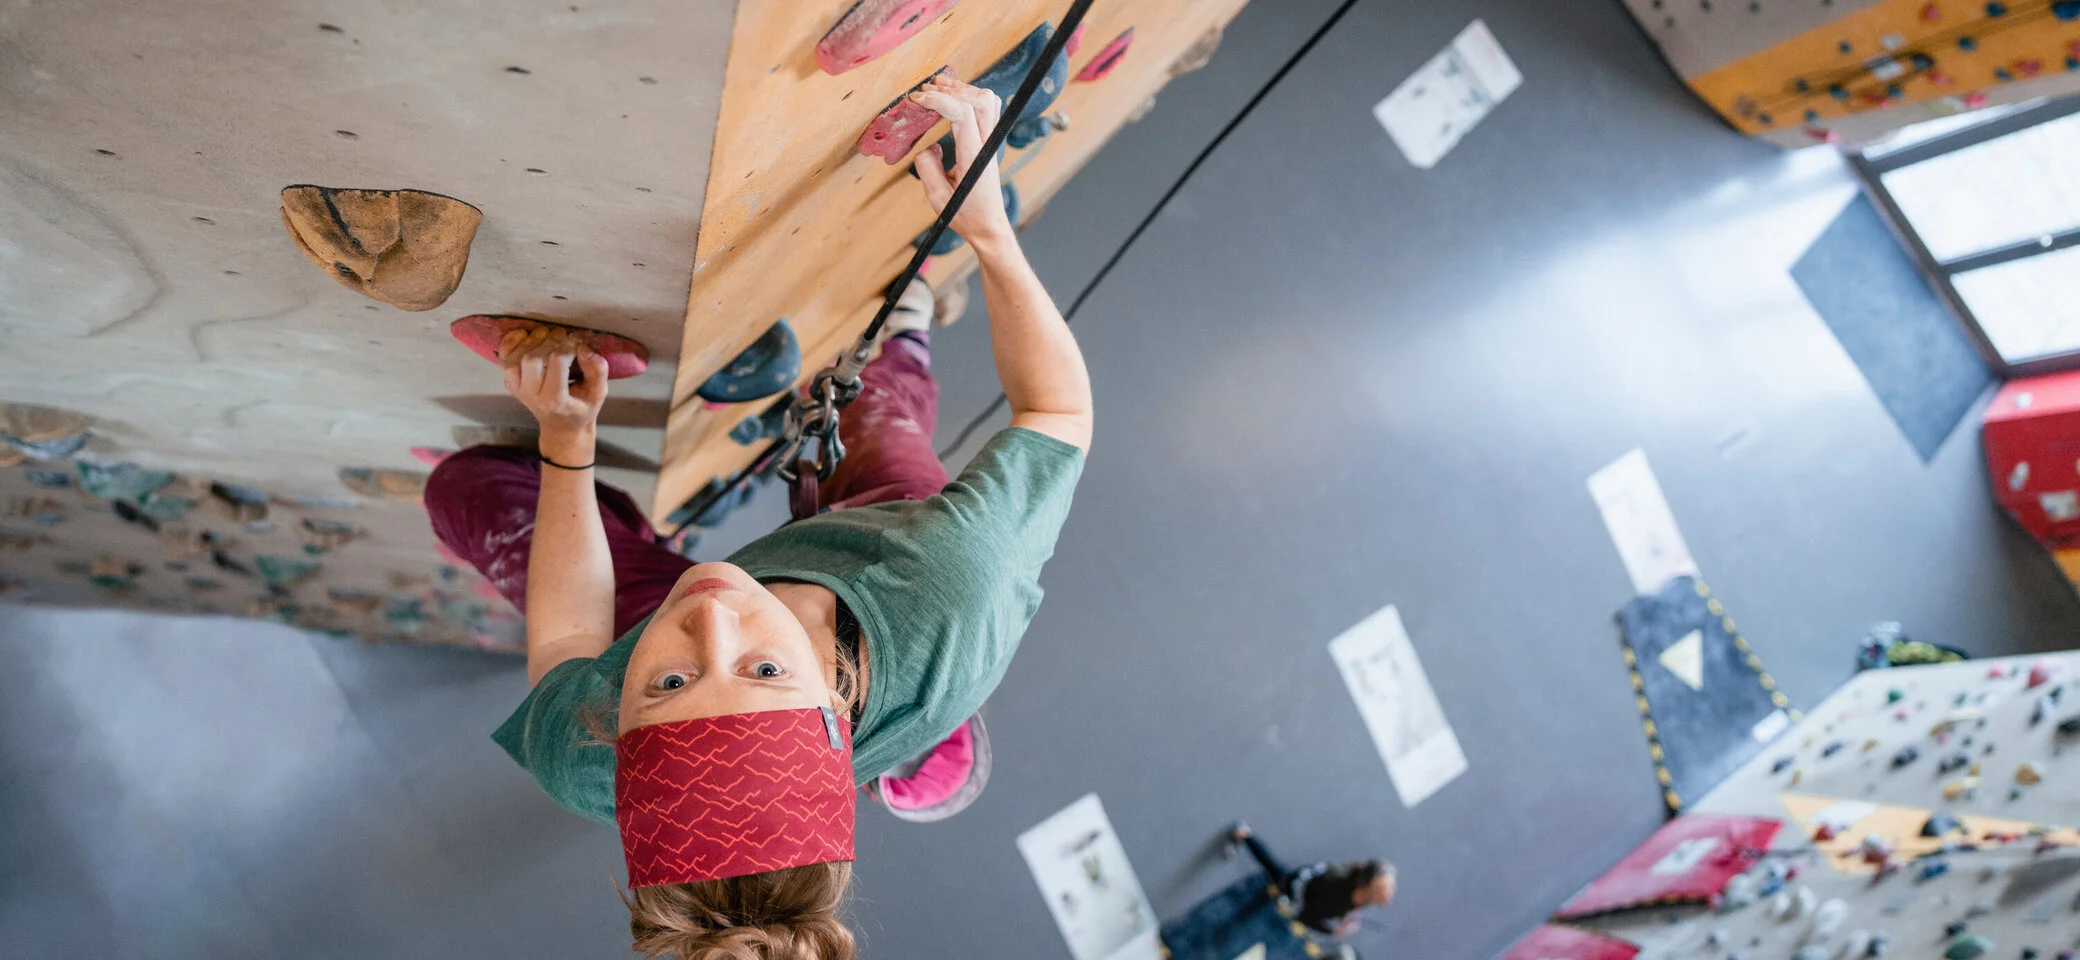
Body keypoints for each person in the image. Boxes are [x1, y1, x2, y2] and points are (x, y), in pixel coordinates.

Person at [426, 74, 1091, 959]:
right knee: (870, 412)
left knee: (467, 493)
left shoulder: (589, 758)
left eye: (668, 686)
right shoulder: (949, 590)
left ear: (617, 734)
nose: (710, 618)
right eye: (766, 671)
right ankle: (899, 357)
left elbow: (568, 641)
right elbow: (1056, 413)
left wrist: (567, 440)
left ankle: (672, 601)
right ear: (836, 702)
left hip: (747, 640)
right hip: (881, 554)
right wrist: (989, 234)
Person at [1227, 823, 1396, 939]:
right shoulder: (1338, 896)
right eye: (1383, 890)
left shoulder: (1362, 893)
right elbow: (1304, 916)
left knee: (1275, 871)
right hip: (1297, 887)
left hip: (1309, 879)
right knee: (1273, 869)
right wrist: (1334, 931)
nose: (1389, 896)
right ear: (1366, 886)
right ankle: (1244, 834)